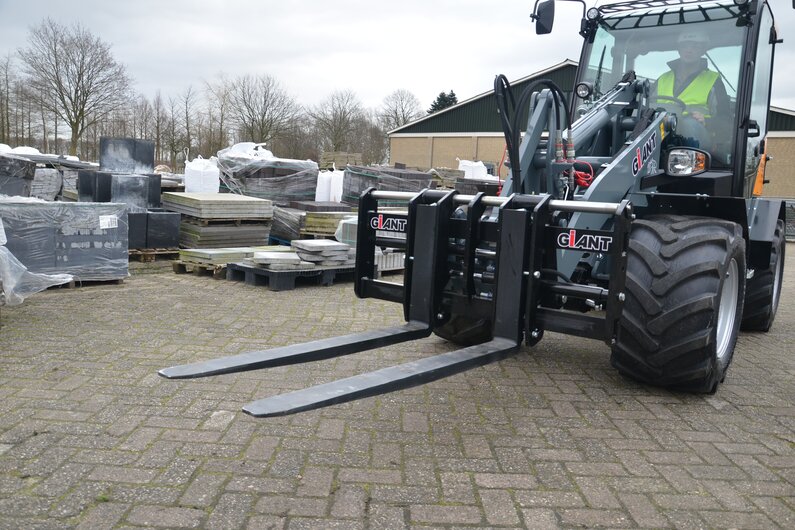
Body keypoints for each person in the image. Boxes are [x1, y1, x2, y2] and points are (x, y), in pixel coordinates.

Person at [653, 31, 731, 154]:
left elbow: (727, 122)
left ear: (703, 50)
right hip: (662, 132)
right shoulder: (663, 79)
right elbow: (646, 107)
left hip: (698, 139)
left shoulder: (713, 80)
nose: (689, 50)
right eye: (685, 45)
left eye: (695, 46)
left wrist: (707, 121)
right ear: (678, 49)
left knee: (689, 125)